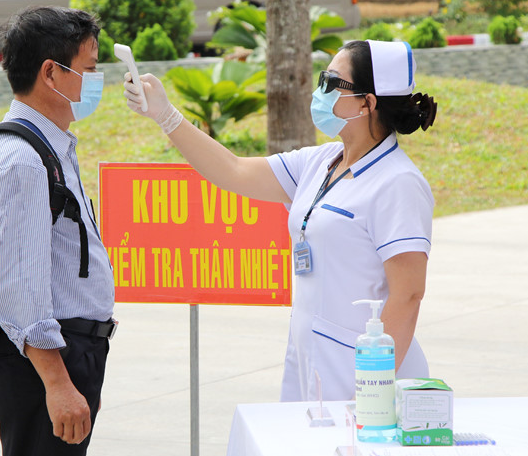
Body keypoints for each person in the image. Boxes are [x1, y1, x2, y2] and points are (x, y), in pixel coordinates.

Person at [123, 40, 437, 402]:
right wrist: (167, 115)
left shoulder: (398, 182)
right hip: (312, 361)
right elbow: (234, 170)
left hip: (366, 379)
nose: (320, 92)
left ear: (367, 103)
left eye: (333, 83)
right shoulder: (322, 162)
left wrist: (372, 389)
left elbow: (408, 294)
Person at [0, 6, 116, 456]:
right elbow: (17, 287)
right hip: (46, 364)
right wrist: (58, 383)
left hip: (68, 355)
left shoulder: (47, 148)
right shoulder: (22, 162)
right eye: (89, 70)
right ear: (52, 73)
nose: (94, 82)